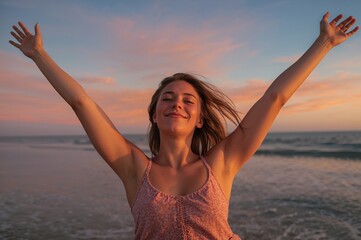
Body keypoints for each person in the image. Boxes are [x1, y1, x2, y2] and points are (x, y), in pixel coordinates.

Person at [9, 12, 358, 239]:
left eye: (188, 100)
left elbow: (274, 99)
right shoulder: (133, 168)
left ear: (199, 118)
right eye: (167, 98)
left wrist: (324, 43)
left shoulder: (223, 162)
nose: (177, 102)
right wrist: (40, 55)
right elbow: (82, 103)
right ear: (154, 114)